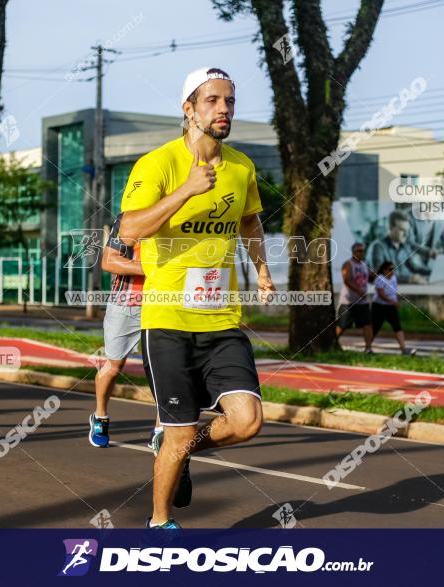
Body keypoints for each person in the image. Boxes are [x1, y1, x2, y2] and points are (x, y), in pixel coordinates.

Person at [119, 67, 274, 530]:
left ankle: (170, 444)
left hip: (222, 319)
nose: (223, 109)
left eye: (229, 100)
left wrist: (263, 270)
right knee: (181, 432)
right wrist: (185, 189)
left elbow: (249, 223)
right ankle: (160, 522)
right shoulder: (158, 164)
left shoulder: (242, 167)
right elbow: (129, 230)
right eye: (212, 101)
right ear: (189, 109)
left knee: (246, 421)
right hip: (167, 322)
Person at [89, 213, 161, 448]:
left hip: (162, 305)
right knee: (113, 368)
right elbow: (109, 262)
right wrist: (153, 269)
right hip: (125, 305)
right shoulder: (128, 219)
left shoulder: (180, 216)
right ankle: (100, 416)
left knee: (166, 372)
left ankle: (160, 431)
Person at [366, 210, 430, 284]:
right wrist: (408, 279)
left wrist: (434, 272)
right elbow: (380, 276)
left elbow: (415, 267)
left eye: (407, 230)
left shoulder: (405, 247)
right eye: (402, 230)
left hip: (407, 290)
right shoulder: (378, 247)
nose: (406, 234)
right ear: (390, 228)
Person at [369, 261, 414, 356]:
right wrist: (392, 302)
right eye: (390, 269)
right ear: (384, 270)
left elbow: (393, 291)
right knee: (375, 328)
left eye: (393, 269)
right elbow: (381, 294)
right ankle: (368, 348)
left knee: (397, 326)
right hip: (379, 306)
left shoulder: (393, 278)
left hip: (391, 306)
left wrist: (395, 301)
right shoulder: (380, 279)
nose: (392, 271)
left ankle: (403, 349)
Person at [335, 242, 374, 353]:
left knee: (367, 325)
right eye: (359, 251)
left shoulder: (364, 265)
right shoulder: (348, 264)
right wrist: (359, 290)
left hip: (363, 302)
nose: (361, 253)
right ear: (353, 252)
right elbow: (347, 280)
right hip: (348, 301)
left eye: (363, 251)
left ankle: (368, 348)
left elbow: (369, 277)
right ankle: (332, 342)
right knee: (342, 326)